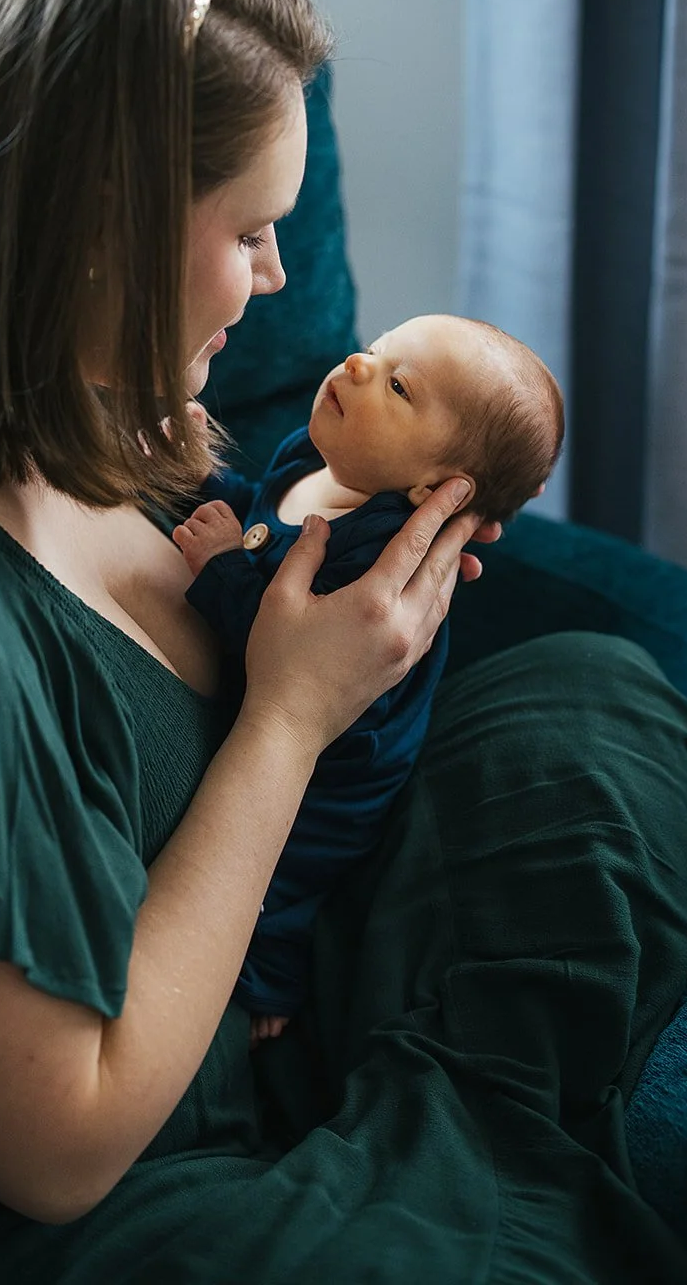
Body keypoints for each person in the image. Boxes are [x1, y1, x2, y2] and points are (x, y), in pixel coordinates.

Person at [0, 0, 687, 1285]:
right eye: (247, 231)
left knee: (588, 700)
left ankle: (453, 1131)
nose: (279, 279)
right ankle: (462, 1150)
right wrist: (292, 720)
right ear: (95, 230)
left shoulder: (81, 404)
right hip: (89, 1177)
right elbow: (59, 1154)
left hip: (257, 968)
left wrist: (352, 646)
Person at [175, 314, 564, 1040]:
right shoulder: (315, 461)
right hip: (296, 713)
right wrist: (205, 477)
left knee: (289, 868)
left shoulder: (373, 555)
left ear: (430, 490)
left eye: (397, 384)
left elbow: (279, 639)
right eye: (375, 348)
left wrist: (223, 567)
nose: (356, 363)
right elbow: (261, 519)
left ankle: (273, 983)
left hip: (342, 764)